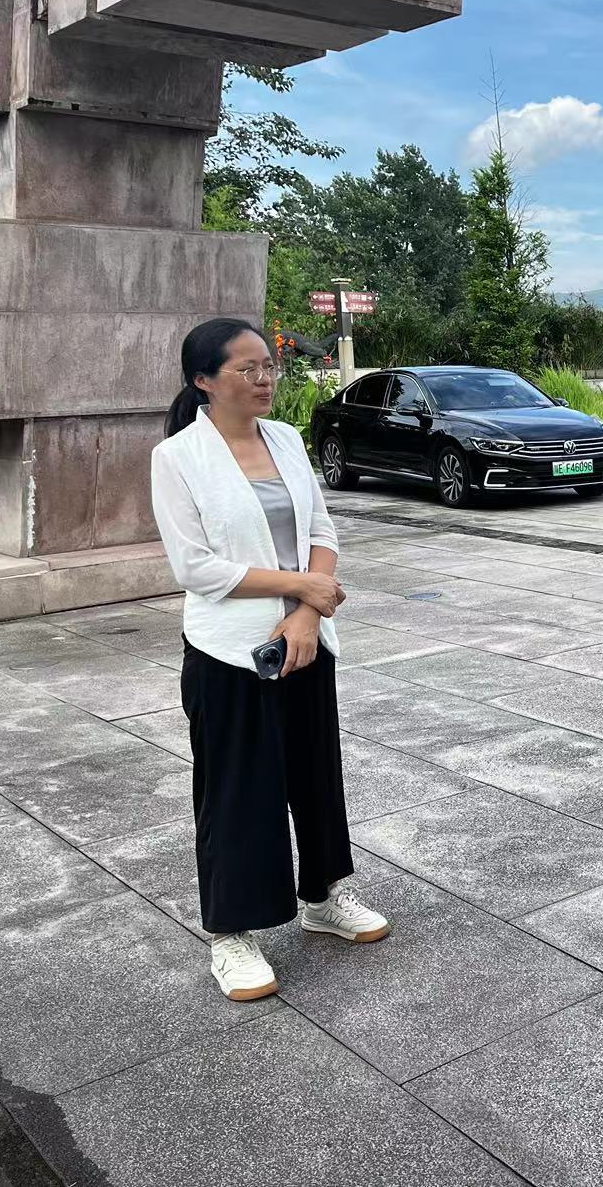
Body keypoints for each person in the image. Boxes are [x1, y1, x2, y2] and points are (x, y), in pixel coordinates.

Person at [151, 318, 389, 1003]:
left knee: (315, 776)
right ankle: (231, 932)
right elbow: (196, 568)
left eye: (269, 366)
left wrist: (309, 613)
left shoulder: (284, 438)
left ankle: (323, 896)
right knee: (237, 791)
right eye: (247, 369)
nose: (264, 380)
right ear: (204, 379)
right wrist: (301, 588)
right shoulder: (179, 457)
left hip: (308, 640)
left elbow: (320, 529)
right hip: (230, 651)